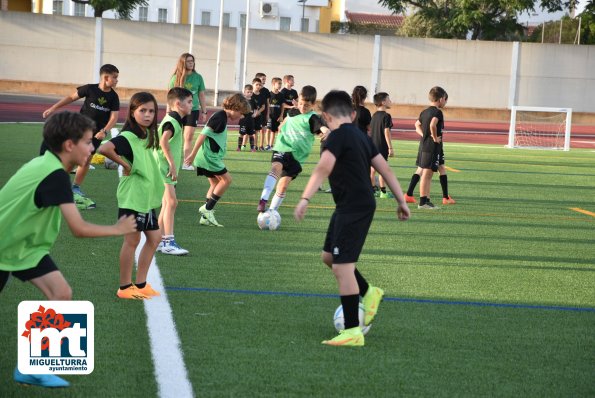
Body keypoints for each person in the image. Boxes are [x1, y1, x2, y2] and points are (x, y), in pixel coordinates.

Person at [0, 111, 136, 387]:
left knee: (61, 293)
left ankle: (32, 367)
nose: (92, 147)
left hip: (24, 248)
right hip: (6, 246)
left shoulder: (49, 163)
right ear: (69, 145)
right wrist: (117, 229)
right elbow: (79, 228)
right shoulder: (54, 175)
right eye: (88, 142)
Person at [294, 90, 409, 347]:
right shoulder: (361, 136)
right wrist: (400, 200)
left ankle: (352, 331)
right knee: (329, 257)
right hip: (352, 205)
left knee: (342, 267)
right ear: (354, 114)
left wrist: (305, 198)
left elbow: (323, 167)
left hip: (353, 207)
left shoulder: (335, 137)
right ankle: (369, 292)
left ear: (324, 116)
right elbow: (385, 168)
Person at [98, 92, 164, 300]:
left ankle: (142, 284)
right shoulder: (128, 137)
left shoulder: (145, 135)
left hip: (144, 197)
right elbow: (105, 148)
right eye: (142, 110)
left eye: (151, 111)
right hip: (132, 197)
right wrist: (126, 165)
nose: (147, 115)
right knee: (132, 240)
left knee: (154, 238)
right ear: (133, 112)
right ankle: (125, 286)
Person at [42, 63, 120, 210]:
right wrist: (53, 108)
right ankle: (56, 183)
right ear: (105, 77)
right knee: (70, 157)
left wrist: (104, 130)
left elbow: (114, 117)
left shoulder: (113, 97)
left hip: (96, 135)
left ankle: (75, 188)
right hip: (79, 129)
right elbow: (71, 97)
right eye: (115, 77)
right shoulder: (89, 88)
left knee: (86, 160)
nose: (117, 81)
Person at [257, 85, 329, 213]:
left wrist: (326, 132)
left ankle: (272, 211)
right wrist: (281, 125)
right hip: (282, 147)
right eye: (300, 103)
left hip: (297, 157)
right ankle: (263, 200)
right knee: (276, 168)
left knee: (283, 186)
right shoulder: (293, 111)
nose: (302, 107)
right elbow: (287, 118)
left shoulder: (312, 118)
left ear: (312, 105)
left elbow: (323, 128)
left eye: (306, 105)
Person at [185, 93, 251, 227]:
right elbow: (202, 135)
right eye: (242, 113)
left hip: (205, 157)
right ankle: (207, 209)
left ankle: (205, 217)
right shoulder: (220, 118)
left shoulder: (221, 116)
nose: (242, 116)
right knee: (227, 180)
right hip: (210, 157)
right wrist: (191, 154)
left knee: (215, 183)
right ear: (235, 108)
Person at [155, 87, 194, 256]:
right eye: (190, 102)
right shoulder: (173, 120)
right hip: (163, 166)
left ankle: (156, 239)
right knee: (171, 203)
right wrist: (171, 163)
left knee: (167, 204)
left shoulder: (176, 119)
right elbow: (164, 141)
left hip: (162, 165)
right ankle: (168, 242)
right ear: (178, 104)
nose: (193, 105)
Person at [409, 86, 454, 209]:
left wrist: (425, 135)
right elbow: (432, 124)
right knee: (427, 174)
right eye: (445, 99)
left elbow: (416, 125)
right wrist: (434, 138)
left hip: (424, 145)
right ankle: (423, 202)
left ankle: (427, 200)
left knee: (426, 173)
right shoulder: (437, 112)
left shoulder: (424, 111)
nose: (445, 102)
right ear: (440, 99)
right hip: (431, 146)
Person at [169, 53, 208, 171]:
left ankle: (186, 163)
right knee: (174, 136)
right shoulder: (175, 78)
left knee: (188, 136)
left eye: (192, 61)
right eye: (188, 61)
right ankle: (170, 161)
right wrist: (168, 111)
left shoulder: (198, 77)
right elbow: (170, 96)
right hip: (178, 111)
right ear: (183, 63)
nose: (191, 63)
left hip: (193, 110)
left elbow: (201, 95)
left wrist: (204, 111)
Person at [369, 92, 394, 199]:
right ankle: (383, 192)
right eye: (389, 99)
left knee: (372, 169)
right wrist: (390, 147)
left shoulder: (374, 115)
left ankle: (373, 190)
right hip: (381, 146)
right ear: (383, 102)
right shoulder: (386, 116)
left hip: (372, 145)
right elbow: (386, 131)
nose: (390, 101)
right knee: (383, 169)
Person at [237, 84, 258, 152]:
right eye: (248, 92)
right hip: (243, 120)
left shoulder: (253, 100)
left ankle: (252, 148)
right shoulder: (242, 100)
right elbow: (238, 108)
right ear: (244, 92)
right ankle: (239, 147)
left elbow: (256, 109)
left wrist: (255, 114)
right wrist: (240, 114)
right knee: (241, 134)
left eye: (251, 92)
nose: (249, 93)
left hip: (250, 120)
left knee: (251, 134)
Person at [265, 77, 284, 150]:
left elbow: (282, 106)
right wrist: (267, 115)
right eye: (279, 83)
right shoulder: (269, 94)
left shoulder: (281, 95)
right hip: (270, 115)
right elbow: (267, 105)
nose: (280, 85)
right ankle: (267, 145)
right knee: (268, 130)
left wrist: (281, 115)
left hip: (277, 116)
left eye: (281, 84)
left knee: (273, 131)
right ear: (273, 84)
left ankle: (271, 145)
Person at [254, 73, 271, 150]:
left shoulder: (266, 91)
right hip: (255, 113)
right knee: (255, 130)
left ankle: (261, 146)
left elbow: (267, 103)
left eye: (265, 79)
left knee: (263, 129)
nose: (264, 80)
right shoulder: (253, 90)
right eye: (263, 79)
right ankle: (255, 145)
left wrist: (268, 114)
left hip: (264, 112)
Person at [250, 77, 267, 151]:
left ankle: (255, 146)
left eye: (260, 85)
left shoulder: (262, 95)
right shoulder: (250, 94)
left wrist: (258, 112)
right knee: (250, 131)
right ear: (253, 84)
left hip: (258, 116)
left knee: (257, 131)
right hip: (251, 115)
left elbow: (263, 106)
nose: (258, 86)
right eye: (257, 84)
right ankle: (244, 145)